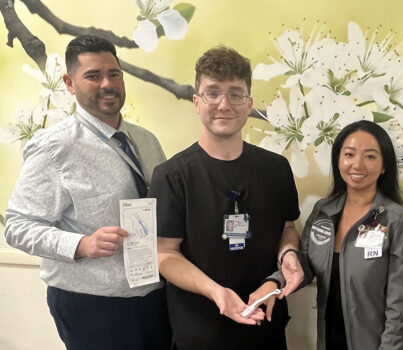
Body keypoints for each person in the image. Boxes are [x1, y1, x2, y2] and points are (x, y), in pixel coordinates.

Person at [4, 35, 170, 349]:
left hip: (153, 296)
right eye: (93, 76)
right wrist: (82, 244)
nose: (107, 83)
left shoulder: (146, 140)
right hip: (94, 305)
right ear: (69, 83)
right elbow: (17, 226)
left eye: (114, 74)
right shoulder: (54, 147)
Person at [148, 46, 303, 350]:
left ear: (249, 104)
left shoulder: (276, 169)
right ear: (196, 102)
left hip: (265, 325)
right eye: (212, 92)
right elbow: (164, 254)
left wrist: (288, 256)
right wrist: (217, 292)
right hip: (200, 332)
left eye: (235, 94)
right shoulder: (171, 176)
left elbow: (287, 229)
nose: (224, 104)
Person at [264, 120, 403, 350]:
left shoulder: (396, 220)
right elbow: (304, 265)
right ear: (338, 160)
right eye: (349, 154)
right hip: (329, 341)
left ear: (384, 166)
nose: (357, 164)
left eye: (370, 156)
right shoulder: (323, 211)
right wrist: (274, 282)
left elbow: (402, 306)